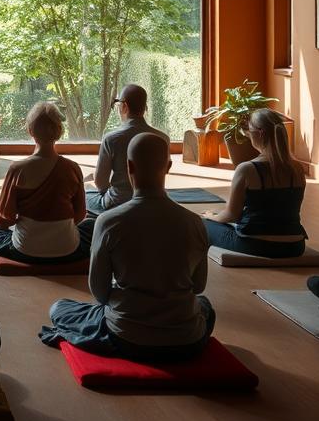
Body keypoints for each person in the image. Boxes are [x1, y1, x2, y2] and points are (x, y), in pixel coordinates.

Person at [40, 133, 214, 363]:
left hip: (127, 338)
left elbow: (100, 293)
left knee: (59, 308)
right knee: (205, 307)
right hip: (187, 341)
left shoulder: (109, 221)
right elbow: (198, 287)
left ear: (128, 166)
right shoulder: (195, 223)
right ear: (169, 167)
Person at [0, 102, 92, 263]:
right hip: (68, 251)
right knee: (92, 225)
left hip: (25, 251)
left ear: (30, 131)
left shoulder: (18, 169)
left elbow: (3, 220)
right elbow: (79, 215)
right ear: (59, 132)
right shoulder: (72, 168)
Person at [202, 109, 307, 258]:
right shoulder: (298, 169)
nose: (248, 136)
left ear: (260, 133)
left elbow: (231, 215)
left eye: (249, 131)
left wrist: (211, 216)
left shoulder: (246, 169)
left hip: (257, 244)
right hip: (295, 246)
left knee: (202, 225)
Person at [86, 84, 169, 216]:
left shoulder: (111, 139)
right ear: (144, 107)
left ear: (124, 106)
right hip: (154, 202)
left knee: (85, 194)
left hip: (117, 203)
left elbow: (100, 183)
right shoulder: (163, 138)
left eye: (118, 102)